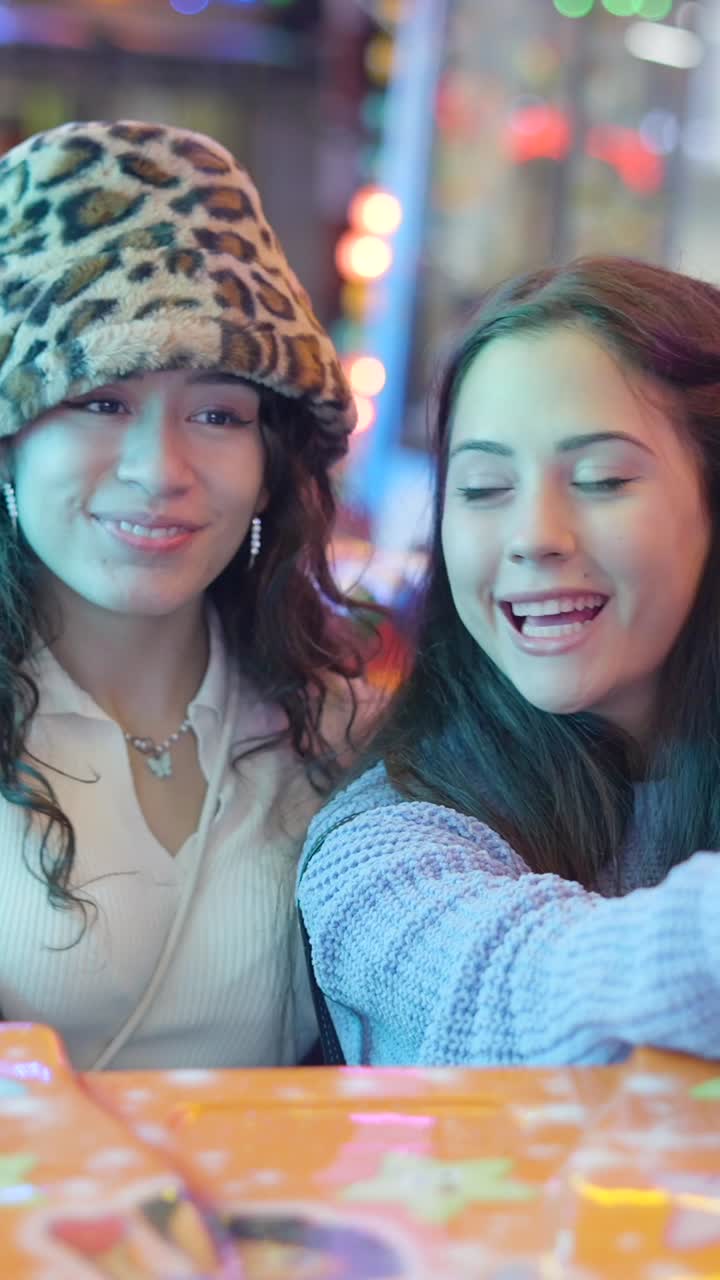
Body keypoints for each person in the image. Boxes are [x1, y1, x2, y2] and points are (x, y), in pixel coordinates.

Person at [0, 118, 372, 1070]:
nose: (158, 470)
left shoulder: (338, 733)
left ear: (269, 460)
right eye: (102, 401)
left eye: (217, 413)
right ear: (12, 439)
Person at [298, 255, 720, 1067]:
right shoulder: (382, 849)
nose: (534, 535)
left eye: (600, 478)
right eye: (485, 488)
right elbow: (519, 992)